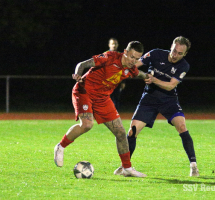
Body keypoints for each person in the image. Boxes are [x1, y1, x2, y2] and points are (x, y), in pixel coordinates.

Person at [54, 41, 148, 177]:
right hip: (84, 91)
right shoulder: (110, 57)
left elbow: (138, 74)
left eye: (137, 59)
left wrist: (147, 76)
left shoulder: (130, 68)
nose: (134, 61)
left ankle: (127, 168)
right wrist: (77, 75)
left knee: (121, 133)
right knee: (87, 125)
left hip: (102, 99)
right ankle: (60, 147)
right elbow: (82, 64)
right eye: (132, 57)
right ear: (125, 52)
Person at [113, 36, 199, 177]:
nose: (175, 55)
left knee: (182, 127)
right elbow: (135, 65)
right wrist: (124, 70)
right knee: (132, 131)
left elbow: (170, 85)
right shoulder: (155, 53)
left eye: (179, 53)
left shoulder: (184, 65)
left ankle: (193, 165)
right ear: (171, 46)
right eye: (174, 50)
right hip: (149, 99)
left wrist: (153, 79)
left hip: (168, 100)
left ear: (185, 54)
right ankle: (125, 166)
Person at [107, 38, 126, 111]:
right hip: (106, 82)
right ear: (109, 45)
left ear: (118, 45)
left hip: (117, 82)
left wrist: (123, 81)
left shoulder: (121, 56)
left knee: (116, 99)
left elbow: (124, 69)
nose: (114, 45)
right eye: (112, 44)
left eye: (115, 44)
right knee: (106, 99)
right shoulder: (105, 55)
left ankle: (115, 116)